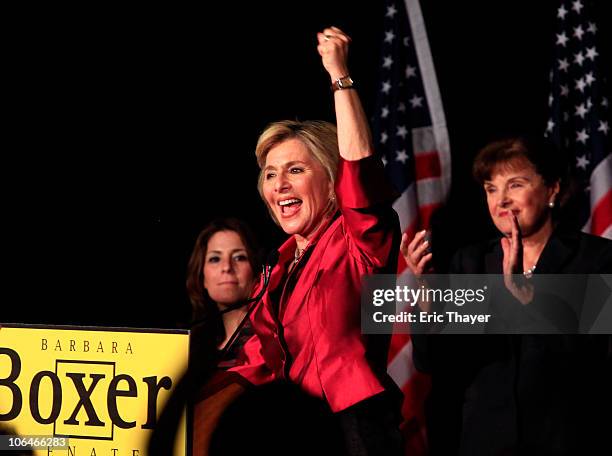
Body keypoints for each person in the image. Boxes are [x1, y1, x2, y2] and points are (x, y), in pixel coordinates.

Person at [225, 26, 404, 455]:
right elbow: (254, 362)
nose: (279, 185)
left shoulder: (360, 240)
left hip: (354, 429)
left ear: (331, 181)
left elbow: (359, 167)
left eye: (296, 170)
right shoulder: (277, 265)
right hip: (293, 430)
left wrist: (339, 74)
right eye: (270, 174)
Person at [401, 136, 612, 455]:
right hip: (486, 440)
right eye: (491, 188)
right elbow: (434, 361)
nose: (501, 201)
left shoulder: (597, 259)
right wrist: (428, 293)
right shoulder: (470, 263)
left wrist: (531, 300)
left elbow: (598, 359)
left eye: (515, 185)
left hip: (569, 439)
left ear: (552, 189)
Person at [186, 217, 261, 369]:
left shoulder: (270, 343)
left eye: (239, 257)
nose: (227, 267)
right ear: (202, 277)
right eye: (215, 259)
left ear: (256, 270)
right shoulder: (193, 348)